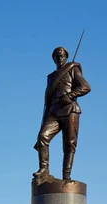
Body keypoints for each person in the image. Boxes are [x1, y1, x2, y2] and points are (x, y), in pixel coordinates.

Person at [33, 46, 91, 181]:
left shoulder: (73, 69)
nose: (60, 58)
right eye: (57, 56)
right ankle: (44, 170)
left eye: (62, 56)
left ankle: (66, 175)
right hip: (53, 111)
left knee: (69, 143)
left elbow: (85, 86)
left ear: (66, 57)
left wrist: (71, 95)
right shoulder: (51, 77)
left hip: (70, 110)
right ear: (53, 58)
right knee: (42, 136)